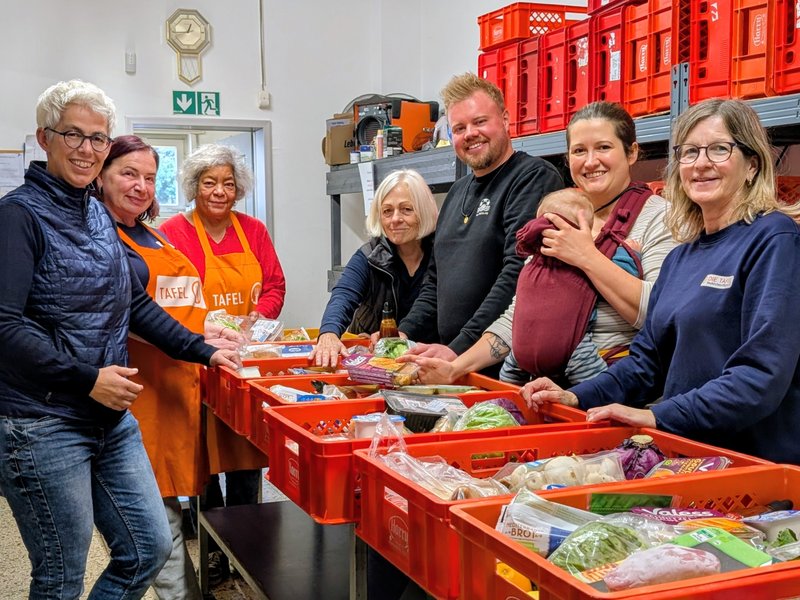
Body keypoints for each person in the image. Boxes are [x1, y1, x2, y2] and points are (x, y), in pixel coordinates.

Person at [0, 80, 240, 599]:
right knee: (61, 576)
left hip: (109, 418)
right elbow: (5, 326)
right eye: (73, 135)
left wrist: (204, 349)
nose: (86, 149)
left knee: (148, 549)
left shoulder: (96, 214)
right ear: (45, 138)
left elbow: (134, 305)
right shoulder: (17, 216)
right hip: (42, 422)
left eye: (98, 138)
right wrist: (88, 379)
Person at [523, 98, 800, 465]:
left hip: (753, 464)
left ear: (752, 164)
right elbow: (646, 364)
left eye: (719, 149)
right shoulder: (680, 258)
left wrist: (658, 416)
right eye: (689, 152)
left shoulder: (774, 239)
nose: (701, 163)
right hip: (688, 456)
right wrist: (576, 396)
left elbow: (762, 374)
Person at [404, 101, 675, 385]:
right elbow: (521, 314)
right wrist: (456, 367)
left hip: (616, 390)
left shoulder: (659, 217)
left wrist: (586, 256)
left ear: (631, 152)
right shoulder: (557, 216)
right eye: (579, 151)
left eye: (604, 147)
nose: (590, 161)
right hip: (544, 389)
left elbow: (660, 314)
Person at [98, 135, 246, 599]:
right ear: (100, 176)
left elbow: (180, 307)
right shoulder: (101, 238)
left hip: (179, 388)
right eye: (129, 174)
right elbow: (132, 315)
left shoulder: (154, 234)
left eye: (149, 177)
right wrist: (198, 343)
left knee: (172, 512)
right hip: (141, 394)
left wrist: (210, 329)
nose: (141, 186)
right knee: (156, 524)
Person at [160, 143, 285, 582]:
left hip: (244, 364)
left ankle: (247, 547)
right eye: (209, 182)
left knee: (246, 453)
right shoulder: (173, 232)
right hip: (195, 363)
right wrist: (202, 331)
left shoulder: (253, 230)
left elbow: (275, 285)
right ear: (194, 186)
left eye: (228, 184)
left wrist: (257, 319)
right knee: (206, 461)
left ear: (239, 189)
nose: (219, 191)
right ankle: (214, 552)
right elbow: (166, 296)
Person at [392, 73, 564, 375]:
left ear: (505, 120)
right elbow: (435, 280)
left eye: (480, 122)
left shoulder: (533, 177)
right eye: (459, 128)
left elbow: (517, 275)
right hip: (455, 364)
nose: (470, 134)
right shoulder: (457, 191)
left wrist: (459, 348)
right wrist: (402, 335)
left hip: (504, 367)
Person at [309, 169, 438, 367]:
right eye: (387, 211)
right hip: (374, 361)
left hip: (427, 360)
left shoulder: (442, 255)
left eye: (406, 209)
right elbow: (343, 294)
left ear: (423, 212)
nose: (395, 219)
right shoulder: (370, 254)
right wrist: (329, 333)